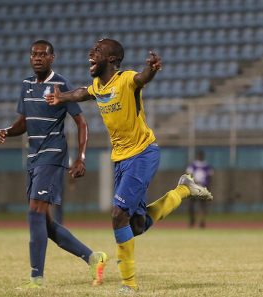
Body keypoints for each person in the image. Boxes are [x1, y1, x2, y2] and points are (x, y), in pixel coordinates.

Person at [45, 38, 213, 293]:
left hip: (143, 154)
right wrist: (62, 97)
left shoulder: (126, 79)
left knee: (117, 214)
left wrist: (152, 70)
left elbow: (141, 79)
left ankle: (129, 285)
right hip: (122, 159)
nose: (91, 53)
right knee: (136, 225)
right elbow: (82, 92)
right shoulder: (99, 86)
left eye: (98, 51)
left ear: (111, 59)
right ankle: (183, 190)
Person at [0, 40, 107, 289]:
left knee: (35, 212)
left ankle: (36, 278)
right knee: (44, 224)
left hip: (53, 156)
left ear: (52, 58)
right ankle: (93, 257)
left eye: (42, 54)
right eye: (33, 54)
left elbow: (81, 122)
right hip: (33, 159)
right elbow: (23, 122)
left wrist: (81, 157)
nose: (37, 58)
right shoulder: (26, 85)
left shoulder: (60, 84)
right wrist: (8, 130)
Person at [186, 150, 213, 228]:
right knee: (191, 205)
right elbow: (189, 176)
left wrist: (208, 187)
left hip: (203, 188)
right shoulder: (193, 165)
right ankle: (192, 220)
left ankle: (202, 221)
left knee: (203, 205)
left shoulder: (207, 166)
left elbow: (210, 177)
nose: (200, 157)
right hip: (194, 188)